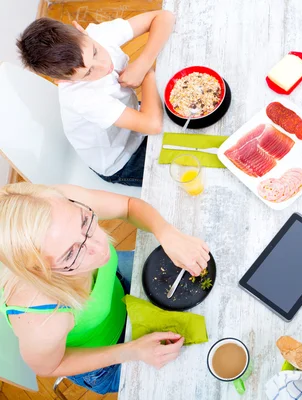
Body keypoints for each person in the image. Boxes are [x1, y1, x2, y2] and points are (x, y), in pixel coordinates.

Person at [0, 183, 210, 394]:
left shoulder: (59, 207)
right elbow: (50, 366)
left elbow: (128, 206)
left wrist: (166, 233)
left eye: (85, 223)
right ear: (40, 271)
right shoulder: (41, 320)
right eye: (70, 254)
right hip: (108, 359)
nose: (100, 246)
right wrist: (132, 351)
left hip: (117, 292)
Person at [16, 11, 176, 186]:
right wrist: (147, 74)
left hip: (133, 117)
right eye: (88, 72)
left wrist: (143, 62)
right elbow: (152, 125)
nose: (104, 66)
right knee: (188, 164)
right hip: (123, 160)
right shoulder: (82, 98)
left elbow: (164, 17)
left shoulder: (97, 34)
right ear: (62, 80)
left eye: (95, 52)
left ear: (81, 31)